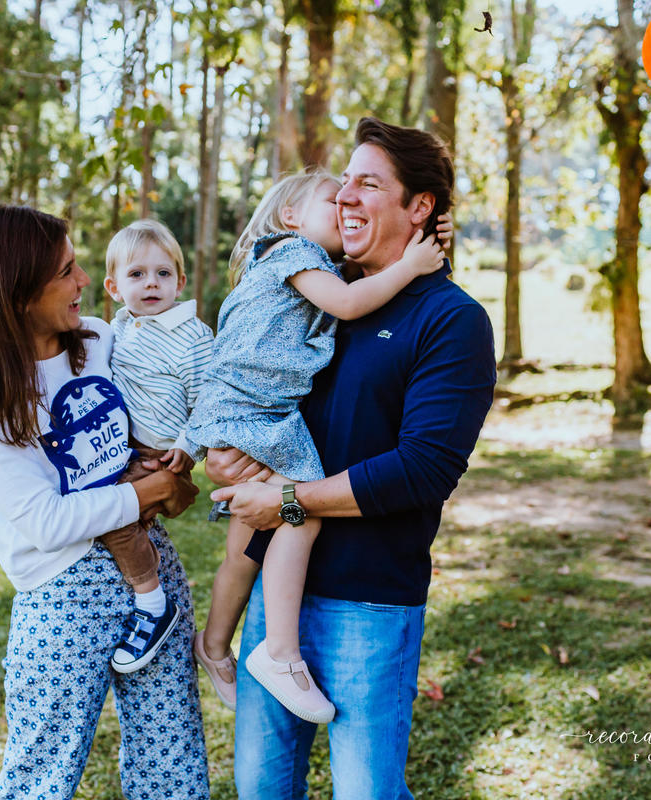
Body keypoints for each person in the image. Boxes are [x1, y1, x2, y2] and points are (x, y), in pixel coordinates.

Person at [208, 118, 496, 798]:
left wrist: (286, 500)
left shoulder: (451, 320)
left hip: (369, 602)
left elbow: (424, 468)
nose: (345, 196)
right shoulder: (314, 294)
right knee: (260, 790)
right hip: (273, 597)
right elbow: (253, 378)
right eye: (343, 183)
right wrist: (230, 454)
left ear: (420, 207)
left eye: (368, 184)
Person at [0, 205, 210, 799]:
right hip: (61, 592)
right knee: (39, 776)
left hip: (150, 569)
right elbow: (44, 521)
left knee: (172, 762)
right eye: (67, 270)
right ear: (18, 291)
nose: (85, 280)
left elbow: (165, 439)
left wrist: (171, 475)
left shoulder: (103, 341)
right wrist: (144, 494)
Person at [185, 169, 446, 724]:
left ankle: (212, 645)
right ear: (291, 218)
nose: (347, 204)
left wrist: (428, 237)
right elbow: (352, 302)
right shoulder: (293, 254)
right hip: (260, 414)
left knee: (244, 544)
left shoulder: (291, 261)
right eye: (334, 199)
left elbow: (368, 262)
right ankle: (279, 653)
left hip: (239, 406)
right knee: (300, 514)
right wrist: (410, 264)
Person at [99, 219, 215, 674]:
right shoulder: (119, 327)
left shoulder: (191, 336)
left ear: (180, 281)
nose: (151, 283)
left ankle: (151, 602)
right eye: (137, 274)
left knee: (114, 517)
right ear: (114, 287)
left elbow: (210, 399)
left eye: (163, 274)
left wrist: (190, 447)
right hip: (122, 448)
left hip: (161, 453)